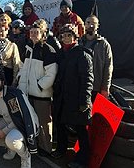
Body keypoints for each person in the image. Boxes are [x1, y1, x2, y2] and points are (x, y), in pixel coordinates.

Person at [52, 24, 93, 168]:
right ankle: (61, 149)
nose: (66, 38)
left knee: (81, 130)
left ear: (75, 37)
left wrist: (85, 100)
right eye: (64, 36)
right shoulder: (62, 54)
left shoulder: (82, 54)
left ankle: (83, 159)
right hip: (63, 97)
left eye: (69, 35)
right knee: (61, 124)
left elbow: (87, 79)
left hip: (77, 98)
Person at [0, 70, 39, 168]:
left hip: (22, 124)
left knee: (11, 140)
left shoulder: (12, 95)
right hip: (9, 121)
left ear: (2, 82)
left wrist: (4, 131)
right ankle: (11, 148)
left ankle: (25, 156)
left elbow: (19, 118)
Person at [17, 18, 57, 156]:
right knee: (30, 120)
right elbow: (23, 67)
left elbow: (51, 73)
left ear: (43, 33)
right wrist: (20, 79)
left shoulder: (48, 50)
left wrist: (40, 86)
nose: (33, 34)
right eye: (32, 32)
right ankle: (33, 145)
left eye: (36, 32)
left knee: (44, 122)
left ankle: (46, 148)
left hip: (41, 94)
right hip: (27, 92)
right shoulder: (28, 48)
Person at [79, 15, 113, 101]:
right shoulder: (79, 43)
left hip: (97, 87)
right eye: (88, 23)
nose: (90, 25)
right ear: (84, 25)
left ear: (97, 26)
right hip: (81, 87)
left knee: (98, 113)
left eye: (94, 23)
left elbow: (108, 67)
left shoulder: (104, 45)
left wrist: (105, 87)